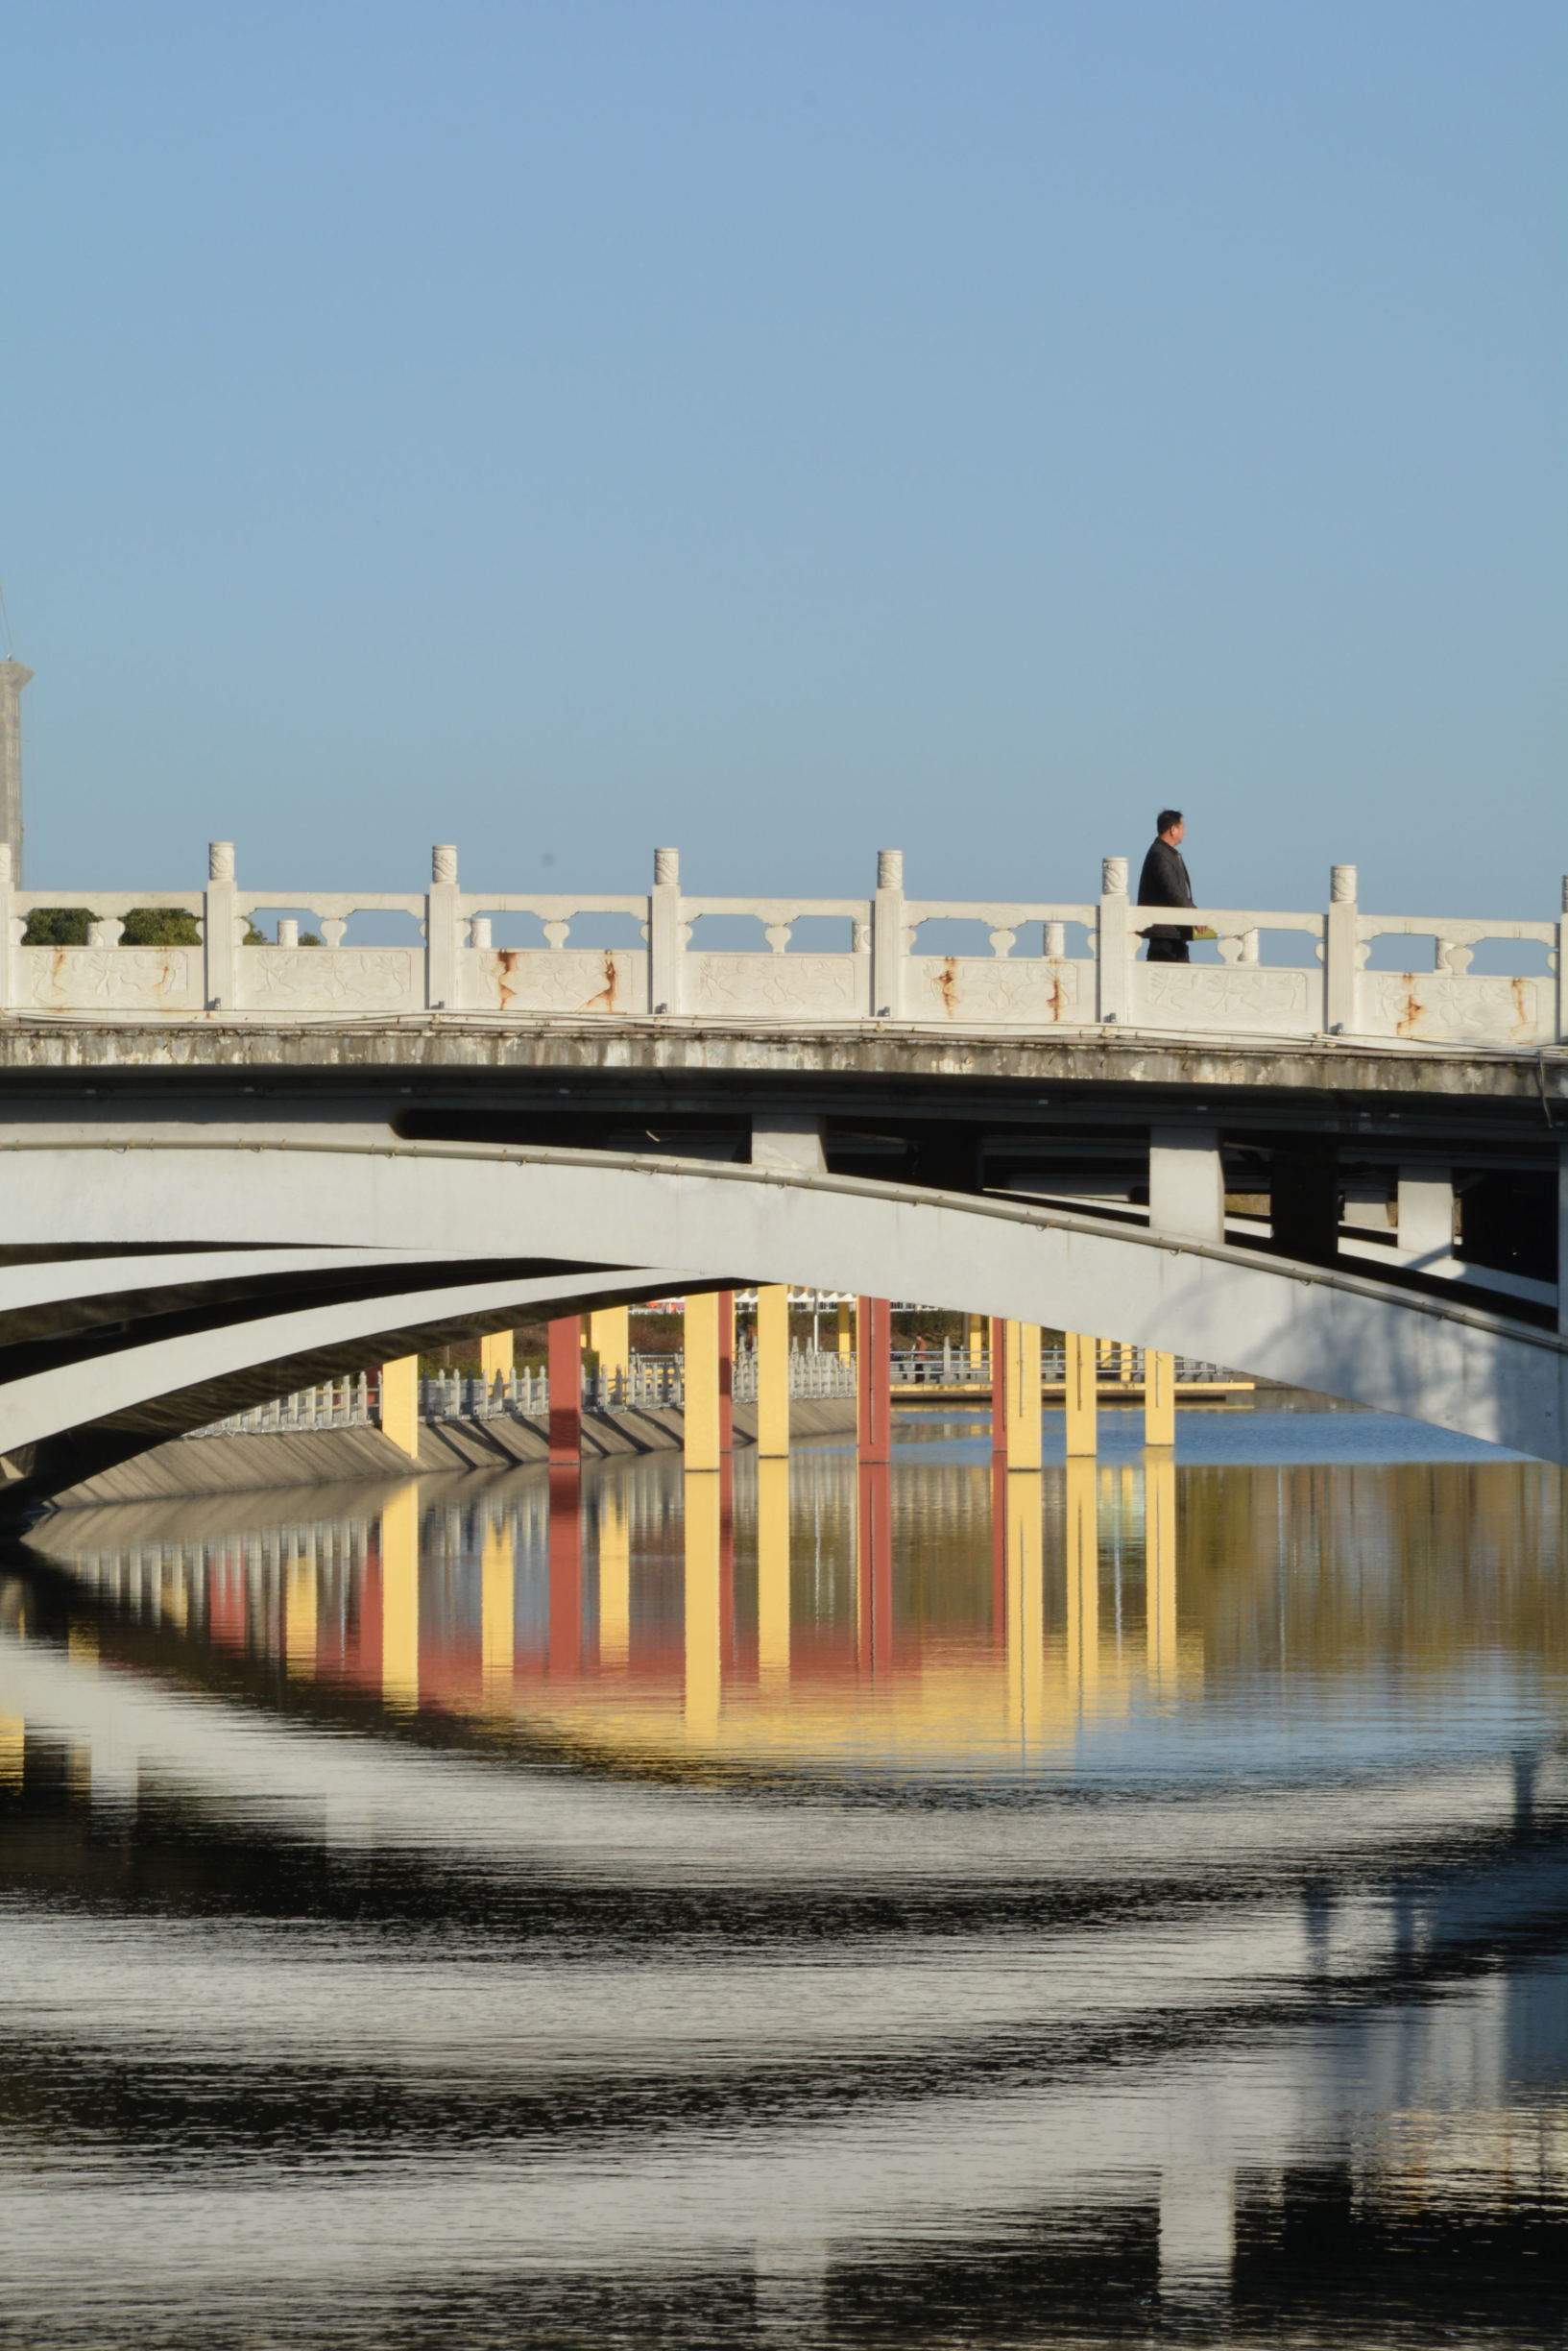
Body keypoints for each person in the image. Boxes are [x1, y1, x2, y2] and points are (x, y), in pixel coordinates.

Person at [1137, 810, 1195, 964]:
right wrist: (1198, 918)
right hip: (1165, 934)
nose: (1184, 832)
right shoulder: (1160, 854)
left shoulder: (1167, 853)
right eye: (1182, 827)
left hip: (1174, 933)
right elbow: (1174, 894)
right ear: (1173, 829)